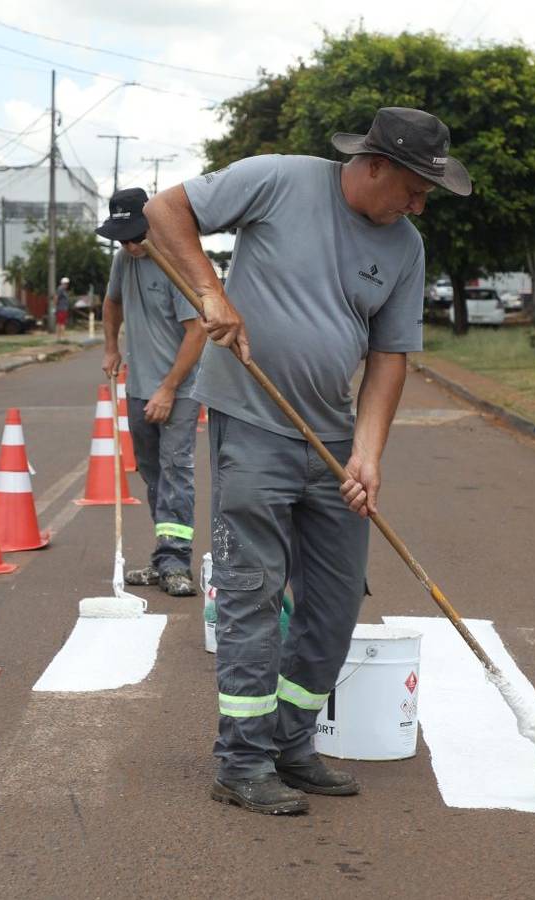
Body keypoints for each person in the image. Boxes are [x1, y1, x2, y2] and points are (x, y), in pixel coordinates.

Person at [143, 107, 470, 815]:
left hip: (331, 439)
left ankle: (291, 743)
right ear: (374, 165)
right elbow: (164, 211)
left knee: (336, 597)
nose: (420, 205)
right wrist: (211, 290)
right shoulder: (279, 180)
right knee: (253, 591)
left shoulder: (406, 247)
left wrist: (368, 454)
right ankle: (243, 761)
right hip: (253, 422)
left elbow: (390, 357)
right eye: (415, 188)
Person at [97, 188, 203, 597]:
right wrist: (110, 347)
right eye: (121, 238)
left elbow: (197, 334)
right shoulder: (125, 261)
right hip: (139, 387)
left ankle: (177, 564)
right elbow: (111, 304)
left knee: (176, 471)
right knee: (153, 472)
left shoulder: (176, 262)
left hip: (179, 389)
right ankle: (164, 558)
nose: (128, 244)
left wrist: (168, 389)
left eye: (134, 235)